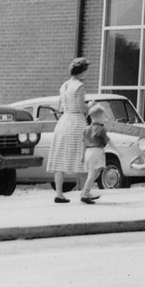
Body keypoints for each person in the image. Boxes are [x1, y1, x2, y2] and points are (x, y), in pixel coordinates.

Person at [46, 57, 90, 202]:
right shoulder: (79, 86)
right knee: (81, 157)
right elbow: (81, 107)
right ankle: (84, 192)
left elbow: (60, 107)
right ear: (82, 71)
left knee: (59, 158)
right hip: (76, 122)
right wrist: (92, 106)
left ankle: (59, 193)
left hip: (63, 121)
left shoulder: (64, 85)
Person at [79, 104, 110, 203]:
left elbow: (83, 142)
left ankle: (85, 190)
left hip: (88, 152)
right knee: (93, 174)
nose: (104, 119)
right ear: (100, 117)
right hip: (97, 152)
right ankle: (85, 193)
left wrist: (82, 155)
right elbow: (107, 141)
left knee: (95, 172)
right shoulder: (101, 130)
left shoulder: (87, 129)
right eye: (104, 117)